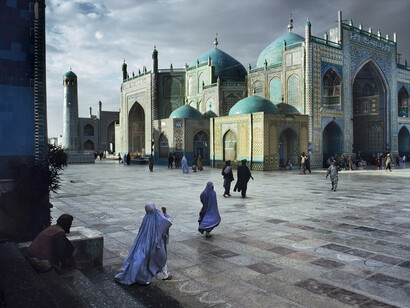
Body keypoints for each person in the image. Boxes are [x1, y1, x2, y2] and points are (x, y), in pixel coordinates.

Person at [115, 203, 172, 285]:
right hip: (156, 245)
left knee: (145, 260)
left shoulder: (146, 219)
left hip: (144, 243)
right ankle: (162, 275)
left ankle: (148, 278)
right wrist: (165, 213)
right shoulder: (158, 218)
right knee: (160, 258)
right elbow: (168, 222)